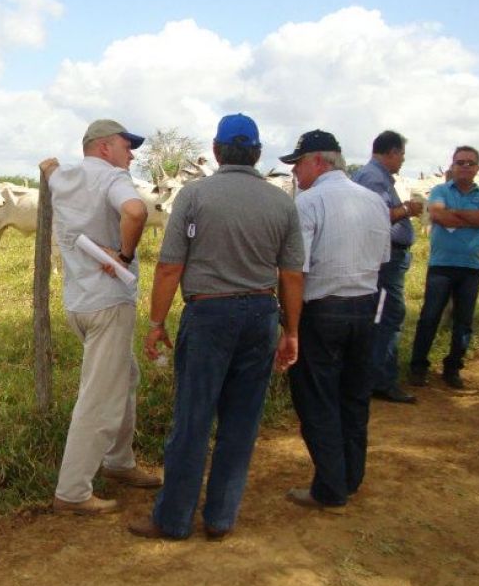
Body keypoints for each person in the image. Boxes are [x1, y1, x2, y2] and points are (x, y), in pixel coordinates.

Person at [128, 114, 304, 540]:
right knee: (241, 423)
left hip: (207, 316)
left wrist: (155, 322)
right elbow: (293, 275)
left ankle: (173, 521)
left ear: (216, 150)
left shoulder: (194, 196)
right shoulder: (281, 202)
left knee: (192, 419)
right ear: (258, 153)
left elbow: (170, 267)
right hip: (261, 314)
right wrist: (291, 330)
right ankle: (221, 518)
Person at [43, 118, 159, 516]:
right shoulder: (113, 179)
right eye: (127, 147)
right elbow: (135, 211)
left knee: (125, 377)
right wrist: (123, 256)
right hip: (109, 301)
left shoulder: (65, 179)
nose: (131, 155)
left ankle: (119, 462)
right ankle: (73, 491)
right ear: (105, 147)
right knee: (99, 397)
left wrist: (49, 168)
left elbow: (51, 171)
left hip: (79, 301)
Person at [282, 130, 390, 510]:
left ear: (317, 161)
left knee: (317, 398)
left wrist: (290, 326)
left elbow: (297, 270)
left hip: (323, 308)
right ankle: (350, 476)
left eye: (298, 164)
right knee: (355, 395)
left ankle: (330, 487)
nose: (295, 172)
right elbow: (382, 259)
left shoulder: (308, 203)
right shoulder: (375, 201)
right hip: (366, 306)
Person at [406, 146, 479, 389]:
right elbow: (438, 215)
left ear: (477, 168)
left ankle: (453, 367)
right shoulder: (439, 190)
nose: (465, 166)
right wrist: (469, 218)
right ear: (452, 166)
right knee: (429, 317)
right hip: (441, 266)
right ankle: (418, 367)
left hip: (470, 267)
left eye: (470, 163)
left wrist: (453, 213)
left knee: (463, 321)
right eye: (460, 162)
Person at [353, 130, 421, 404]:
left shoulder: (372, 176)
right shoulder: (373, 178)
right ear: (391, 152)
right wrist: (407, 210)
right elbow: (378, 216)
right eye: (402, 154)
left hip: (386, 259)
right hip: (386, 260)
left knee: (382, 317)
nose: (403, 159)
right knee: (386, 317)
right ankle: (379, 380)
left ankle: (374, 377)